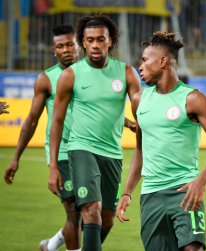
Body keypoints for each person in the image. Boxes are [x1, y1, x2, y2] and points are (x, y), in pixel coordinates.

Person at [116, 32, 206, 250]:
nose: (139, 66)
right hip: (150, 196)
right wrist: (126, 192)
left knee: (193, 248)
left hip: (184, 191)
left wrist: (202, 180)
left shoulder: (194, 99)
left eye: (144, 60)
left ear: (162, 62)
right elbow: (140, 150)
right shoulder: (138, 100)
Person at [48, 15, 141, 251]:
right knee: (91, 210)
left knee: (107, 218)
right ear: (83, 42)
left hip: (112, 154)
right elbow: (57, 121)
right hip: (81, 149)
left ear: (110, 41)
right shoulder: (71, 75)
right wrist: (53, 166)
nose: (96, 45)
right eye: (90, 40)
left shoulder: (127, 73)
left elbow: (143, 113)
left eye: (101, 39)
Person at [3, 25, 82, 251]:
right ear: (53, 50)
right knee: (74, 211)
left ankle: (51, 244)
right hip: (63, 152)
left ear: (79, 45)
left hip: (91, 149)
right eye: (60, 46)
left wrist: (126, 123)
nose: (66, 50)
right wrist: (16, 158)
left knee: (95, 212)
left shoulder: (92, 74)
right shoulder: (46, 79)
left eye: (70, 44)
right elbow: (31, 120)